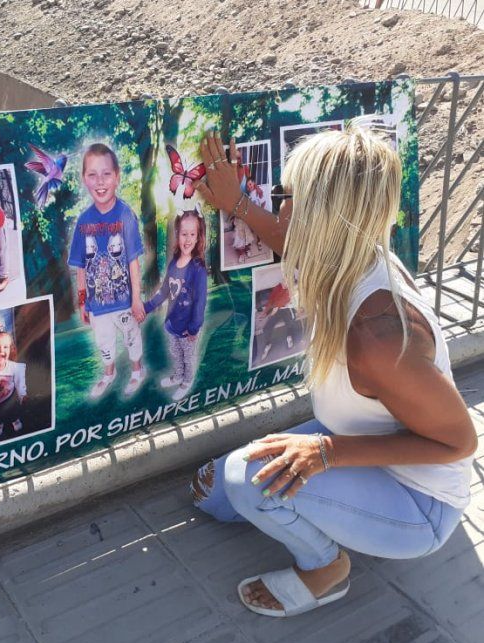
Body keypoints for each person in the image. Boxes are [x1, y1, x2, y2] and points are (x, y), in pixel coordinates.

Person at [188, 128, 476, 617]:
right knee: (215, 493)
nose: (278, 205)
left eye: (286, 196)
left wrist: (326, 451)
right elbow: (286, 235)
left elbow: (460, 443)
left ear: (323, 215)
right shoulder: (341, 253)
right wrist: (237, 203)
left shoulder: (378, 334)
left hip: (420, 502)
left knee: (244, 480)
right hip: (361, 438)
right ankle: (312, 509)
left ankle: (324, 569)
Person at [68, 142, 147, 399]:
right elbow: (80, 266)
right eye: (92, 174)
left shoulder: (125, 215)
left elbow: (133, 261)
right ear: (84, 179)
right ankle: (109, 373)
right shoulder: (83, 221)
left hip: (124, 301)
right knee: (104, 343)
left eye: (106, 174)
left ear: (117, 176)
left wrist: (136, 300)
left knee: (131, 336)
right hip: (97, 304)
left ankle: (137, 370)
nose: (100, 181)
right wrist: (82, 302)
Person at [144, 209, 208, 401]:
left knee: (188, 356)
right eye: (183, 234)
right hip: (172, 323)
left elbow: (200, 301)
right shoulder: (173, 263)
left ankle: (187, 381)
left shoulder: (198, 269)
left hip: (188, 329)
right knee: (175, 353)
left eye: (192, 234)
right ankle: (178, 375)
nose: (187, 239)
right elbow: (165, 291)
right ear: (177, 234)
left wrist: (194, 327)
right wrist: (147, 307)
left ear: (198, 238)